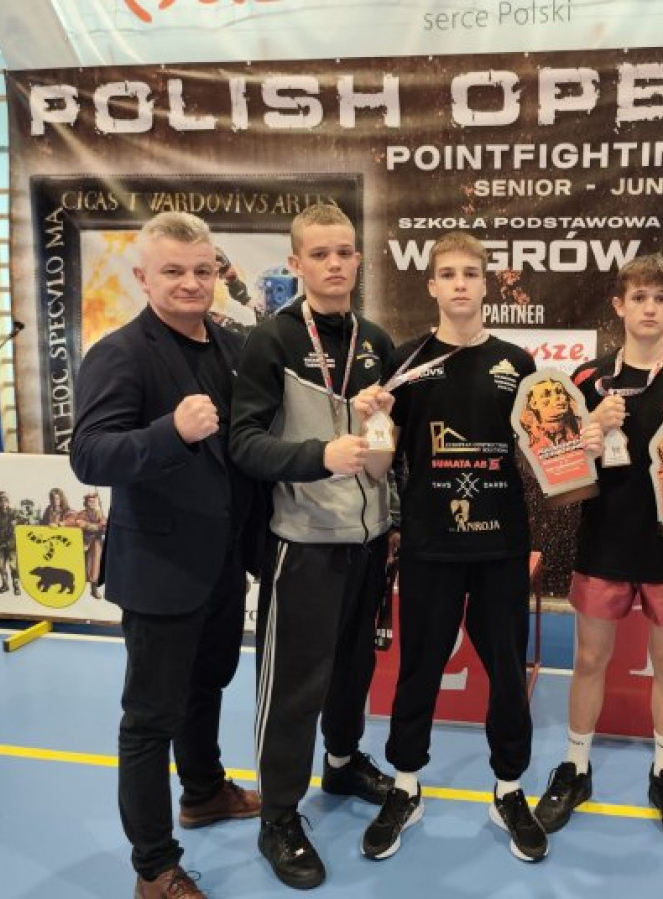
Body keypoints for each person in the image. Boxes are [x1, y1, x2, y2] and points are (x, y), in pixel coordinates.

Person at [71, 211, 265, 899]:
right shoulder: (120, 353)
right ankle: (153, 868)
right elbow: (90, 454)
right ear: (142, 276)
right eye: (174, 271)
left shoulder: (232, 345)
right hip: (159, 571)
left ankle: (204, 791)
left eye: (202, 270)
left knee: (206, 686)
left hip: (222, 564)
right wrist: (169, 432)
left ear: (217, 273)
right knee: (150, 720)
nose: (190, 283)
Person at [531, 254, 663, 845]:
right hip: (605, 542)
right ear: (619, 306)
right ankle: (575, 767)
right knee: (589, 659)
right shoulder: (585, 379)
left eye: (660, 298)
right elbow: (559, 472)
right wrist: (590, 429)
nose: (650, 308)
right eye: (639, 298)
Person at [353, 231, 547, 864]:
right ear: (432, 285)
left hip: (500, 546)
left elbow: (548, 456)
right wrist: (372, 419)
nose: (460, 283)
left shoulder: (516, 363)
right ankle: (405, 785)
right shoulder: (406, 362)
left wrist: (584, 441)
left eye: (471, 273)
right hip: (431, 545)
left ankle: (509, 789)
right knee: (419, 668)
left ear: (485, 284)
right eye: (449, 274)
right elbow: (378, 466)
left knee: (508, 674)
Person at [230, 201, 396, 890]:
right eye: (320, 254)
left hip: (368, 539)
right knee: (294, 686)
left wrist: (381, 437)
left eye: (345, 251)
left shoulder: (376, 341)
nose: (335, 264)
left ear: (358, 258)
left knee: (354, 669)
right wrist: (318, 457)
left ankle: (344, 761)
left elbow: (383, 450)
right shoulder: (270, 340)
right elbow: (243, 443)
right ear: (296, 263)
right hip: (303, 542)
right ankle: (278, 816)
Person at [518, 377, 583, 450]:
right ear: (534, 404)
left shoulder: (581, 425)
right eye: (546, 394)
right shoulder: (526, 436)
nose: (557, 397)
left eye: (559, 391)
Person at [73, 491, 107, 599]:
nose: (92, 503)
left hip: (96, 543)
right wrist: (98, 526)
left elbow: (104, 527)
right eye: (90, 501)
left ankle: (93, 589)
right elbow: (81, 524)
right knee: (80, 566)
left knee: (95, 567)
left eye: (94, 501)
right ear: (86, 502)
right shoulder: (82, 514)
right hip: (84, 542)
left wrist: (103, 525)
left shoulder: (99, 514)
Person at [0, 491, 21, 595]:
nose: (3, 503)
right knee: (0, 566)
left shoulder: (13, 512)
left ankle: (16, 585)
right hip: (1, 544)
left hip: (11, 544)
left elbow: (22, 519)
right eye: (1, 500)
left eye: (5, 500)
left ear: (8, 501)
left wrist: (16, 521)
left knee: (13, 566)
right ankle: (5, 584)